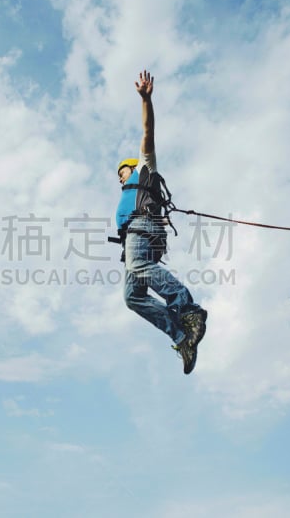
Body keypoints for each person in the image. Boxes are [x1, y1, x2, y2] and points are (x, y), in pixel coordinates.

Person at [115, 70, 208, 374]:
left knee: (138, 267)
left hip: (145, 228)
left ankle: (188, 309)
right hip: (134, 238)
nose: (120, 176)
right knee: (132, 298)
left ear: (134, 166)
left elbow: (147, 132)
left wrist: (145, 100)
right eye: (119, 175)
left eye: (122, 171)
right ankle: (182, 336)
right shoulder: (127, 192)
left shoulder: (145, 167)